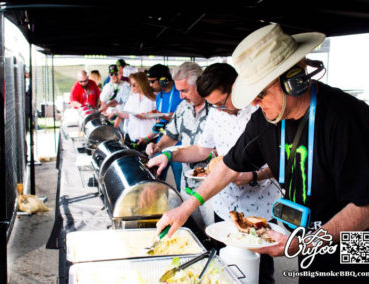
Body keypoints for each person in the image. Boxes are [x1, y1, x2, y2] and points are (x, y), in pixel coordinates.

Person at [156, 23, 369, 283]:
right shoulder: (264, 120)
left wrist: (304, 243)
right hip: (309, 241)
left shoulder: (346, 119)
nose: (254, 102)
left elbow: (365, 206)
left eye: (261, 93)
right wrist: (186, 207)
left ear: (294, 80)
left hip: (354, 243)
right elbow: (229, 165)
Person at [148, 63, 281, 283]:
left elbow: (281, 163)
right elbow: (201, 150)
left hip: (259, 208)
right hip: (224, 205)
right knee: (225, 268)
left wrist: (254, 176)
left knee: (259, 271)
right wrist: (170, 154)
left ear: (236, 88)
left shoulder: (262, 111)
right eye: (215, 106)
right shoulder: (217, 114)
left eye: (221, 103)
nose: (220, 109)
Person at [146, 62, 214, 229]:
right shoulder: (183, 107)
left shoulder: (216, 108)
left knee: (214, 235)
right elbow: (171, 134)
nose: (181, 96)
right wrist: (158, 146)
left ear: (200, 85)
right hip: (187, 185)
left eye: (185, 90)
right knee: (194, 230)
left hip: (213, 188)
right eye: (179, 91)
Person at [145, 64, 183, 191]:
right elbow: (160, 120)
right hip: (161, 142)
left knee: (180, 184)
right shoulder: (159, 96)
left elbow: (184, 117)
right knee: (156, 180)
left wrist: (168, 117)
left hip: (179, 145)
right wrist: (147, 137)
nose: (150, 85)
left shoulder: (181, 93)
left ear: (164, 80)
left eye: (152, 82)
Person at [109, 72, 156, 151]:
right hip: (133, 137)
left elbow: (160, 115)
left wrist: (147, 115)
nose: (131, 87)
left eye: (134, 85)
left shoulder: (153, 97)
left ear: (142, 84)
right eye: (131, 85)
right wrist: (116, 113)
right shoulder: (132, 97)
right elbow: (127, 114)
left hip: (149, 138)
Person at [99, 65, 131, 130]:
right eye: (112, 74)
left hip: (121, 114)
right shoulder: (108, 86)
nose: (114, 76)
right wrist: (111, 84)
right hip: (110, 113)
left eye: (116, 74)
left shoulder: (125, 84)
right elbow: (103, 99)